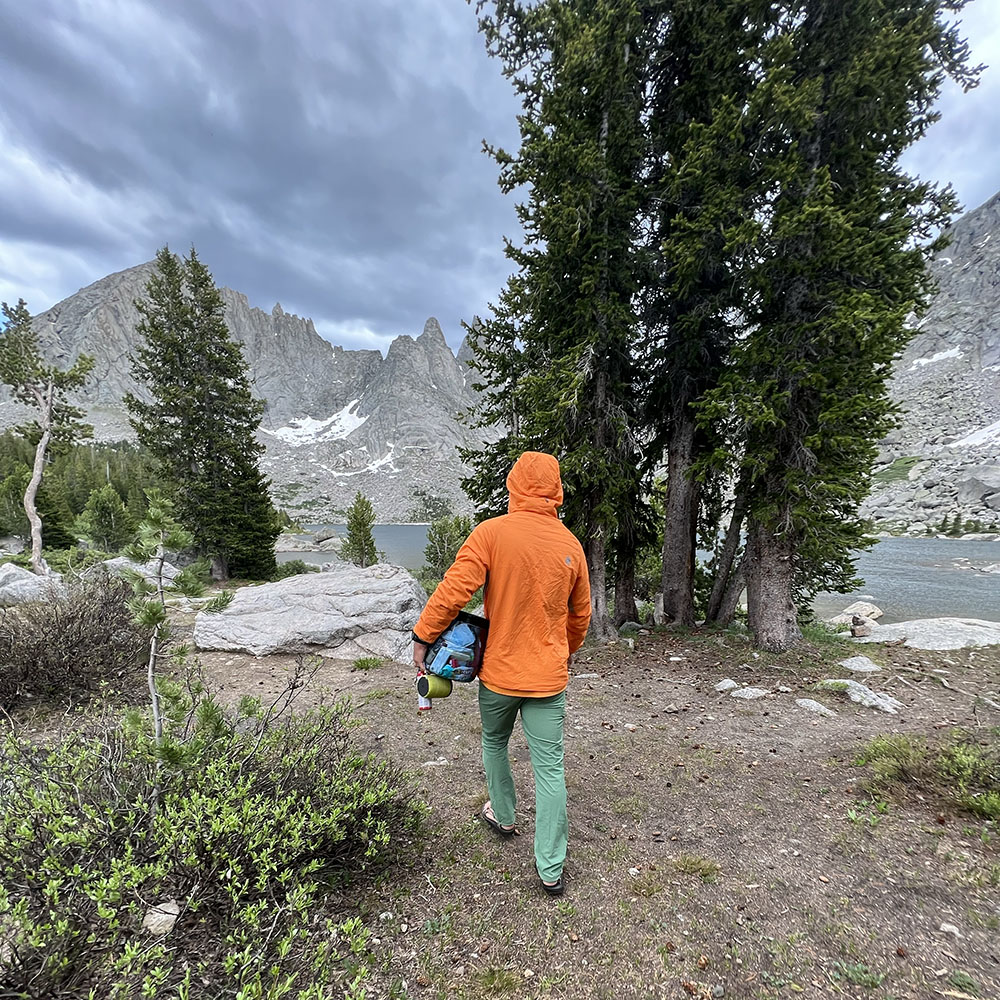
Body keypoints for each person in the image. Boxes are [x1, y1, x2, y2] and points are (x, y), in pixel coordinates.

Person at [411, 451, 591, 896]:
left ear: (513, 488)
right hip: (548, 679)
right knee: (550, 768)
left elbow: (455, 589)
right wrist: (565, 650)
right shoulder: (571, 546)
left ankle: (504, 816)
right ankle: (551, 868)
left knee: (494, 741)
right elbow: (580, 616)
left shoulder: (491, 534)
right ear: (556, 492)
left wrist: (423, 635)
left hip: (499, 675)